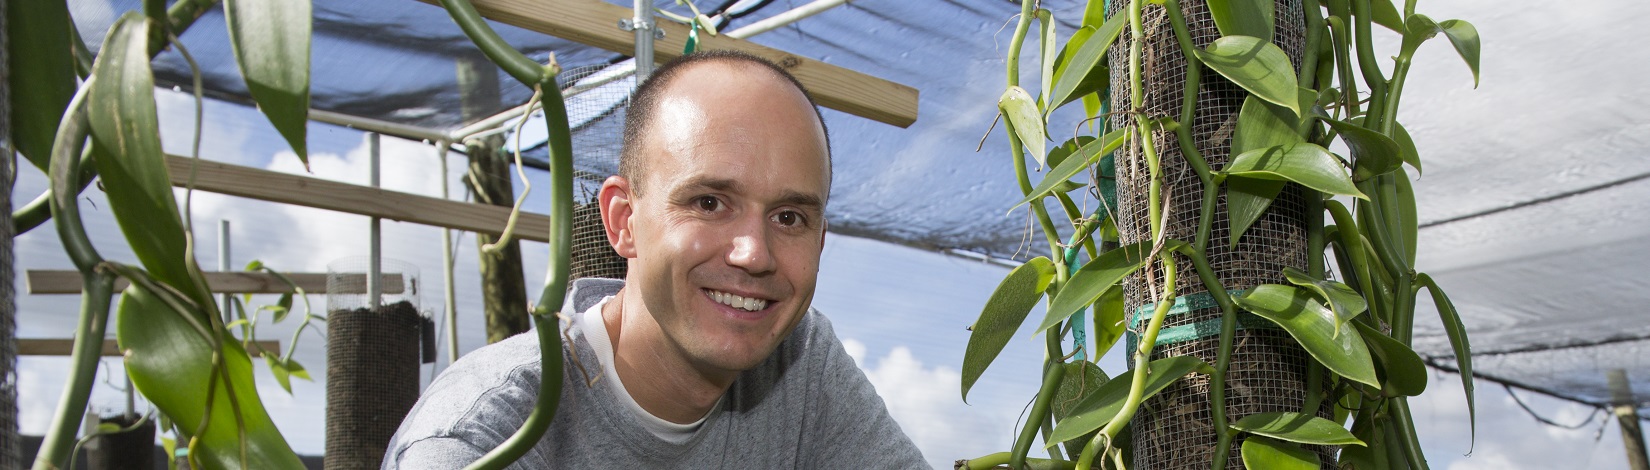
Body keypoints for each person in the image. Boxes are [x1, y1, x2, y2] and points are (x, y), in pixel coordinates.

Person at [382, 50, 927, 468]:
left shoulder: (801, 361)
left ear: (821, 240)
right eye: (708, 203)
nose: (754, 253)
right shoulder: (484, 439)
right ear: (623, 221)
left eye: (789, 217)